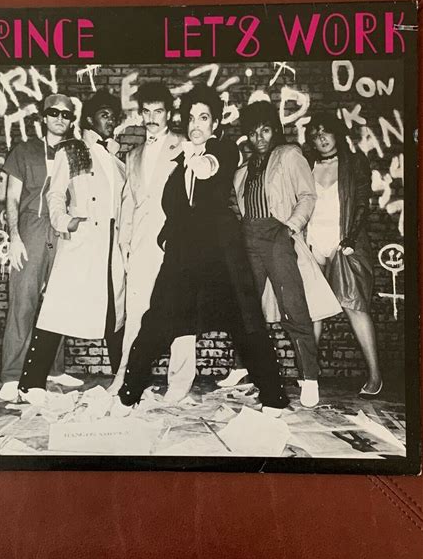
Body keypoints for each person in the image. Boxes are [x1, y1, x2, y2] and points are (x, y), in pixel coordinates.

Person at [111, 84, 289, 418]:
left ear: (215, 124)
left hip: (222, 253)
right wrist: (167, 236)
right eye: (191, 118)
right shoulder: (179, 163)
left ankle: (274, 398)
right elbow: (173, 207)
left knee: (246, 322)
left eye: (204, 118)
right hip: (183, 255)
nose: (196, 125)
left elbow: (209, 167)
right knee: (156, 319)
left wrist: (195, 158)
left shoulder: (223, 150)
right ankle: (127, 395)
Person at [230, 101, 341, 408]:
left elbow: (307, 195)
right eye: (254, 133)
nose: (259, 138)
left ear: (275, 130)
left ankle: (309, 377)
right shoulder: (244, 169)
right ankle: (243, 367)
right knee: (246, 306)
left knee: (293, 306)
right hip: (249, 236)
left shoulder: (289, 154)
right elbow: (240, 205)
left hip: (277, 234)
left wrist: (290, 227)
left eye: (265, 130)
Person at [17, 90, 126, 402]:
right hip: (83, 240)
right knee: (57, 309)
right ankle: (30, 384)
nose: (111, 120)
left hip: (111, 243)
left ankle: (123, 383)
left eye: (113, 116)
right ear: (90, 119)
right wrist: (66, 222)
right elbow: (54, 194)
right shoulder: (73, 150)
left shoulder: (116, 160)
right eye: (104, 114)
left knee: (115, 313)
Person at [110, 82, 196, 403]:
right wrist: (125, 245)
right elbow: (129, 204)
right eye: (146, 111)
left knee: (181, 315)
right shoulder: (133, 155)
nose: (151, 118)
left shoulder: (184, 146)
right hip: (141, 247)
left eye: (158, 111)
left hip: (177, 245)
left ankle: (180, 384)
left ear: (169, 113)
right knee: (136, 314)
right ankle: (125, 377)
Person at [0, 93, 83, 402]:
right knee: (23, 302)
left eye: (66, 114)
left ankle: (54, 370)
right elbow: (12, 198)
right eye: (54, 112)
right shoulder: (25, 151)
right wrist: (15, 237)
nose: (60, 118)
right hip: (31, 228)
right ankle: (11, 375)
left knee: (58, 303)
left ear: (72, 120)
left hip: (61, 230)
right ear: (44, 117)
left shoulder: (77, 153)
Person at [305, 112, 382, 397]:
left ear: (337, 133)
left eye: (326, 131)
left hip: (343, 241)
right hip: (313, 241)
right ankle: (309, 376)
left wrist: (350, 237)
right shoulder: (307, 163)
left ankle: (375, 376)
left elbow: (362, 202)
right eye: (315, 134)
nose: (321, 138)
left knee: (355, 306)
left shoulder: (353, 162)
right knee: (313, 309)